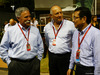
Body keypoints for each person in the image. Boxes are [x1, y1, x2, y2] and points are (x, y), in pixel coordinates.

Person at [0, 7, 44, 75]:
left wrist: (38, 60)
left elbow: (40, 46)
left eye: (30, 16)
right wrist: (9, 62)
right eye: (26, 17)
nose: (29, 19)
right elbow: (3, 48)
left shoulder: (35, 30)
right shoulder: (10, 31)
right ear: (18, 18)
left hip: (33, 64)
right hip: (16, 65)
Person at [67, 7, 100, 75]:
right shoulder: (76, 33)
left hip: (89, 70)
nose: (73, 20)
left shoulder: (96, 34)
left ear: (84, 19)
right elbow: (73, 51)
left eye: (75, 18)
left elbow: (98, 59)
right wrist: (70, 67)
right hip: (78, 69)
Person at [44, 5, 76, 75]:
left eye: (61, 12)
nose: (60, 15)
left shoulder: (70, 25)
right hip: (52, 57)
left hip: (66, 57)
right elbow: (47, 41)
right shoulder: (47, 27)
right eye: (57, 13)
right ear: (51, 15)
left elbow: (75, 41)